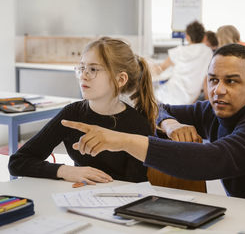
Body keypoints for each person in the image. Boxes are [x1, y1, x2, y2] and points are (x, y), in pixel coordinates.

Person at [62, 44, 245, 199]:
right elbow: (156, 108)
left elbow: (214, 159)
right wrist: (169, 123)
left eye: (231, 81)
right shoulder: (210, 110)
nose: (218, 90)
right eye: (213, 80)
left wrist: (123, 141)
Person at [8, 37, 158, 185]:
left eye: (93, 69)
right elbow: (18, 162)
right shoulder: (72, 113)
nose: (83, 76)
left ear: (120, 80)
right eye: (81, 68)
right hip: (77, 197)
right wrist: (64, 171)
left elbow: (136, 186)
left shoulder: (137, 125)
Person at [151, 21, 213, 105]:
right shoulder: (208, 53)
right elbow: (206, 78)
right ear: (204, 37)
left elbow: (160, 69)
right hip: (189, 100)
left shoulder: (179, 52)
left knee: (148, 92)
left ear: (187, 37)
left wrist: (148, 65)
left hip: (168, 97)